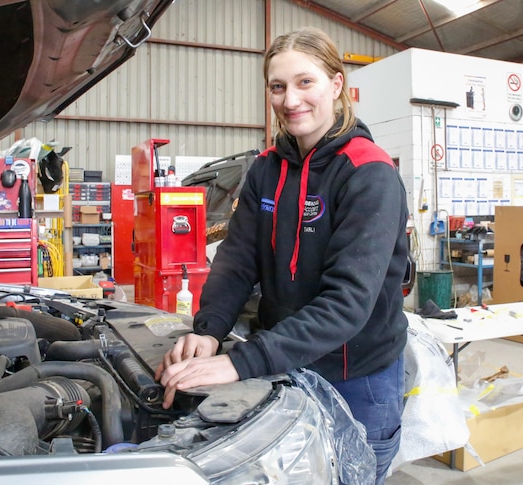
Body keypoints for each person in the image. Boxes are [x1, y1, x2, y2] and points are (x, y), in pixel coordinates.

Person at [155, 26, 409, 484]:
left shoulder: (369, 173)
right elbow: (237, 260)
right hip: (285, 364)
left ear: (336, 85)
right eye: (278, 86)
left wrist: (240, 362)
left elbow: (347, 303)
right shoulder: (266, 170)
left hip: (358, 378)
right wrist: (209, 331)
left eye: (305, 82)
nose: (291, 100)